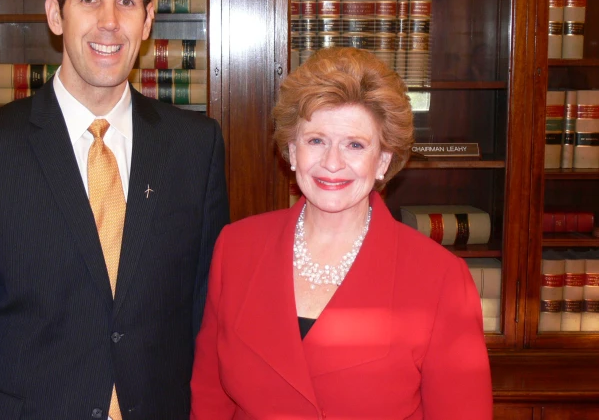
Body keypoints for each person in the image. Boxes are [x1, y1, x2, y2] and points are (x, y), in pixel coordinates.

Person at [0, 0, 229, 420]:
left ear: (147, 20)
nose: (109, 23)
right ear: (55, 14)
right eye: (90, 0)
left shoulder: (197, 147)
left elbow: (204, 315)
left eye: (126, 2)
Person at [190, 47, 492, 419]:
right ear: (291, 149)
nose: (332, 163)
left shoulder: (442, 279)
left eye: (354, 145)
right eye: (316, 140)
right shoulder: (236, 249)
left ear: (382, 160)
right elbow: (210, 397)